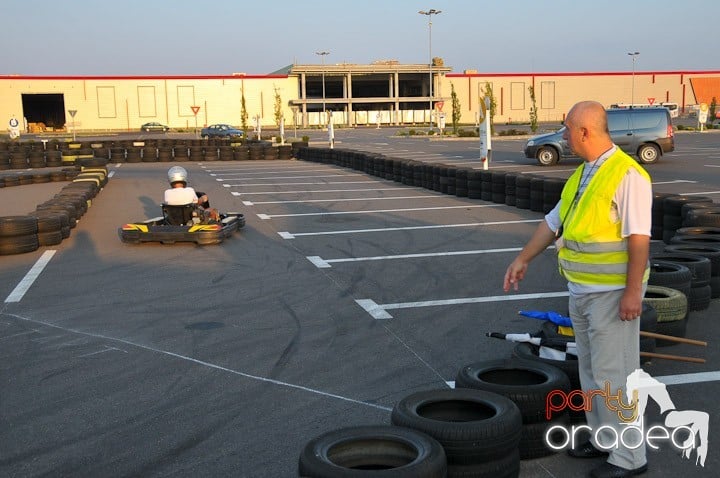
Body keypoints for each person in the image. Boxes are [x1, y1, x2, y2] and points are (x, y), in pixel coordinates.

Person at [503, 101, 652, 478]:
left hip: (613, 294)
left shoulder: (627, 175)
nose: (564, 134)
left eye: (567, 127)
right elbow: (553, 223)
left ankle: (629, 458)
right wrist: (523, 258)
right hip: (582, 291)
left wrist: (633, 292)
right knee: (590, 370)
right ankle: (604, 439)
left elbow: (639, 239)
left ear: (585, 131)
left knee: (614, 374)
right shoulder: (584, 174)